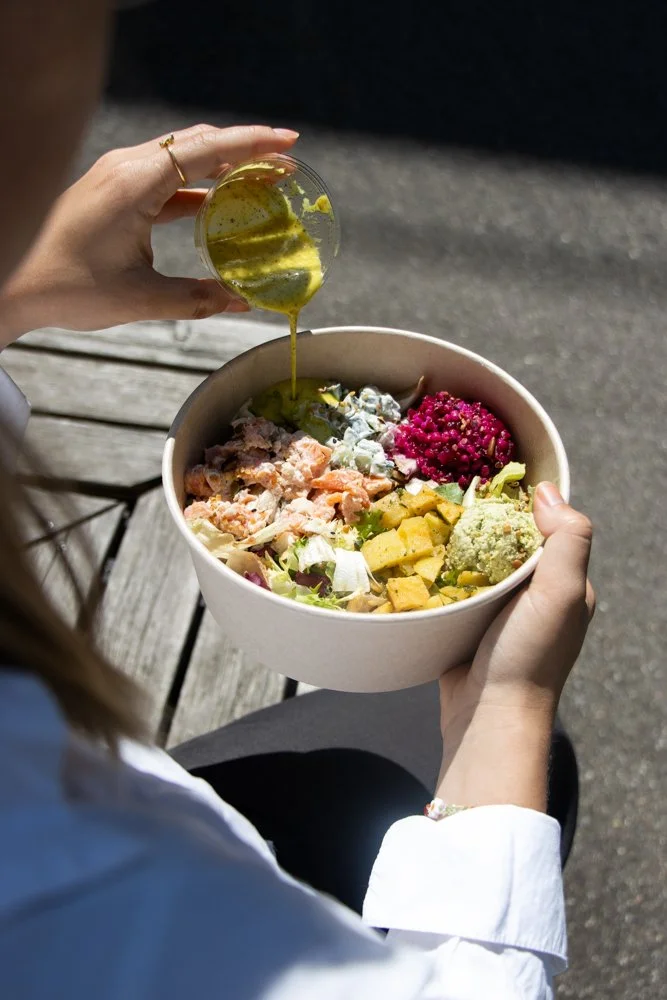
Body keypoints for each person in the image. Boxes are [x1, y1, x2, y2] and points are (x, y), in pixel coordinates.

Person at [0, 3, 595, 997]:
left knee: (377, 761)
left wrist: (15, 289)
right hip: (160, 857)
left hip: (131, 787)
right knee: (527, 761)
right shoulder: (103, 911)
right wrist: (507, 706)